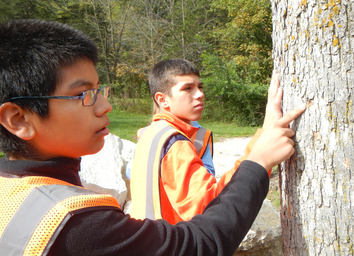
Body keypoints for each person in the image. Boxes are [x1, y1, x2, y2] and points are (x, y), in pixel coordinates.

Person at [0, 19, 305, 256]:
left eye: (99, 90)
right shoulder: (74, 221)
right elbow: (200, 240)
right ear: (19, 119)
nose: (105, 105)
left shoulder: (14, 190)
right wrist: (258, 158)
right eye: (83, 95)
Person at [130, 58, 282, 224]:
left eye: (200, 87)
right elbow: (213, 205)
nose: (200, 94)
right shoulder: (174, 143)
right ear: (162, 99)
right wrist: (260, 155)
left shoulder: (150, 134)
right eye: (187, 88)